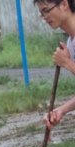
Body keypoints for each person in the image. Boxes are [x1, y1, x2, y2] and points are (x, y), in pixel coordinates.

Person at [35, 0, 75, 128]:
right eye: (42, 13)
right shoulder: (71, 42)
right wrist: (61, 110)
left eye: (46, 10)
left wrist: (67, 63)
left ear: (64, 4)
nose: (45, 18)